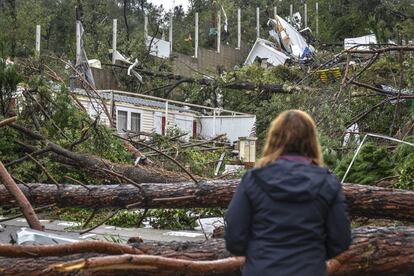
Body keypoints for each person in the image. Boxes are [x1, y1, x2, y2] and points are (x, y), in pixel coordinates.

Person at [225, 110, 351, 276]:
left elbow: (234, 238)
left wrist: (257, 253)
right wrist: (313, 254)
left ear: (274, 139)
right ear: (312, 140)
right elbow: (340, 240)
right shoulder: (327, 182)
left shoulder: (253, 180)